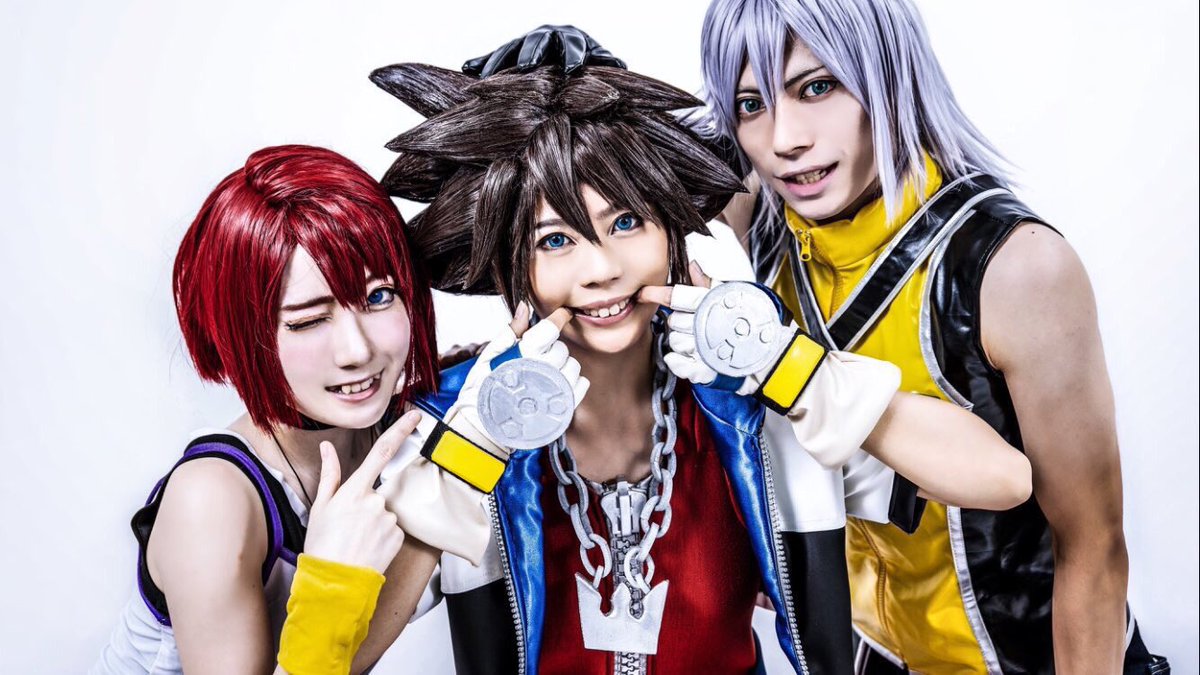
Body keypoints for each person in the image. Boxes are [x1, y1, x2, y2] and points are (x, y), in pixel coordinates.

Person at [371, 58, 1032, 674]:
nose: (602, 269)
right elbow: (347, 653)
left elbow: (1002, 479)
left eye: (626, 222)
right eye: (555, 240)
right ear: (504, 264)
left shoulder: (750, 414)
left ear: (672, 230)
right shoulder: (455, 422)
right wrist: (466, 457)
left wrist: (793, 368)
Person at [693, 1, 1169, 672]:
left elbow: (1093, 547)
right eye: (751, 104)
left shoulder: (1017, 267)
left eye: (818, 87)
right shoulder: (755, 238)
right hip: (868, 654)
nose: (784, 139)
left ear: (888, 75)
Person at [93, 145, 446, 675]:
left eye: (378, 298)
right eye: (306, 321)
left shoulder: (399, 428)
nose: (357, 351)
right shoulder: (211, 500)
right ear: (243, 336)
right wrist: (333, 590)